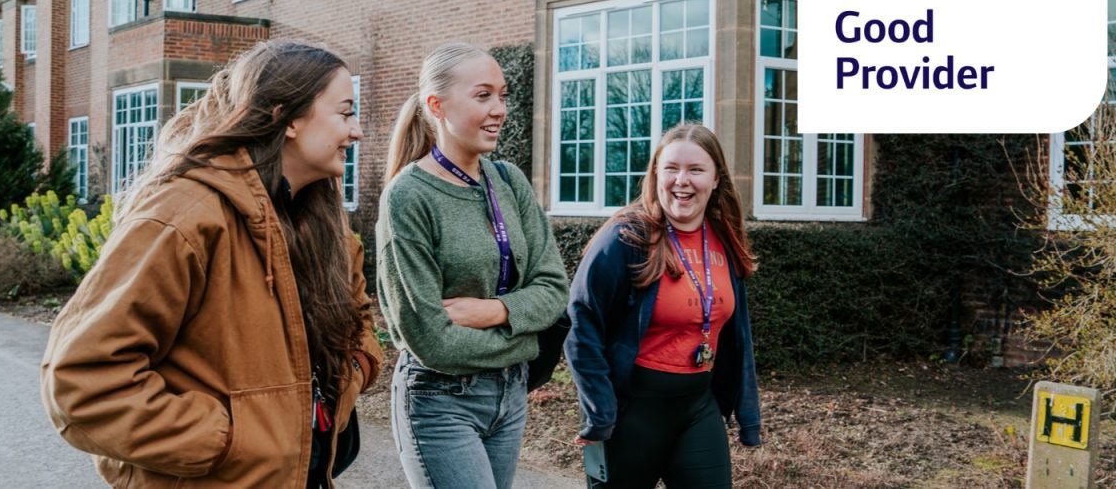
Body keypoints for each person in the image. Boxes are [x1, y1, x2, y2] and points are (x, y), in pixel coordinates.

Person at [40, 41, 383, 488]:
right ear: (289, 117)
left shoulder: (326, 223)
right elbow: (82, 380)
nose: (357, 131)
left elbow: (358, 322)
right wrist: (225, 440)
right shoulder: (183, 214)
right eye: (345, 112)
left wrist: (350, 375)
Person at [376, 42, 570, 489]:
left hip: (510, 394)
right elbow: (430, 338)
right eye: (483, 96)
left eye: (502, 95)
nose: (499, 109)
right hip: (440, 400)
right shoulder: (409, 197)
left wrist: (494, 312)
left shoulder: (508, 179)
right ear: (436, 105)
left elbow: (553, 287)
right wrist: (523, 336)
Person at [564, 123, 762, 489]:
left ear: (716, 179)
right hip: (632, 413)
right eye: (670, 168)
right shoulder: (626, 237)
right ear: (655, 174)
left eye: (696, 170)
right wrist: (599, 410)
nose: (681, 181)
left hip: (697, 407)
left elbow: (738, 335)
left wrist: (744, 409)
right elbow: (581, 324)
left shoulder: (724, 238)